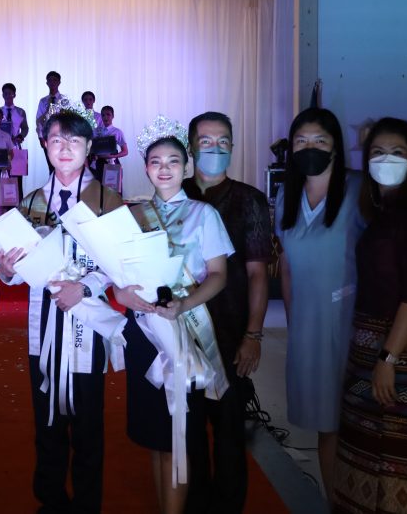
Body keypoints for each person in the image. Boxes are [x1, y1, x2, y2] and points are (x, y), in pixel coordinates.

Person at [0, 99, 123, 514]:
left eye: (74, 141)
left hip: (87, 323)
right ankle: (50, 500)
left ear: (88, 147)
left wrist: (84, 288)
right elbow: (16, 269)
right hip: (44, 325)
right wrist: (7, 271)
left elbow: (121, 266)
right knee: (46, 415)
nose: (65, 148)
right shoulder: (31, 202)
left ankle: (87, 504)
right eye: (56, 140)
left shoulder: (107, 201)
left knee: (88, 423)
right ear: (45, 146)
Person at [119, 115, 234, 514]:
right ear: (146, 168)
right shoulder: (132, 216)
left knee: (177, 437)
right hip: (143, 334)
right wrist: (121, 293)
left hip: (184, 332)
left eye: (173, 161)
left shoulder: (204, 215)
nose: (164, 168)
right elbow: (118, 274)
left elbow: (219, 274)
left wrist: (185, 304)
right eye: (155, 161)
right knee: (155, 438)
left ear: (186, 167)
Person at [333, 117, 407, 514]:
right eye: (378, 152)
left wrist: (388, 359)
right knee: (362, 447)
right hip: (368, 345)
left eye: (398, 152)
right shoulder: (380, 211)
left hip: (398, 352)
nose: (387, 159)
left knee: (395, 455)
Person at [180, 111, 271, 513]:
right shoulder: (175, 193)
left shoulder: (249, 200)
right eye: (205, 141)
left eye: (223, 142)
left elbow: (257, 273)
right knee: (188, 432)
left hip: (230, 335)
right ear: (190, 147)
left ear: (232, 147)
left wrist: (254, 334)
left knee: (230, 432)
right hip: (181, 333)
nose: (214, 148)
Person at [274, 108, 364, 499]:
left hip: (351, 321)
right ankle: (336, 502)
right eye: (301, 141)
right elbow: (287, 267)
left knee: (354, 419)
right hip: (308, 325)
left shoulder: (358, 190)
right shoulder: (287, 195)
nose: (309, 148)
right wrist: (294, 321)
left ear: (335, 147)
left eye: (319, 141)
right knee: (327, 423)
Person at [89, 105, 129, 189]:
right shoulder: (96, 131)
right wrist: (93, 154)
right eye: (103, 115)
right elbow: (91, 148)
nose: (105, 117)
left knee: (111, 191)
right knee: (99, 190)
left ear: (113, 116)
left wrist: (113, 156)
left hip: (112, 163)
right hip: (98, 164)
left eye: (108, 114)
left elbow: (125, 151)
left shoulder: (117, 132)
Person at [0, 82, 29, 198]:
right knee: (2, 177)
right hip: (1, 148)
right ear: (3, 95)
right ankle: (4, 205)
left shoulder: (20, 111)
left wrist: (21, 136)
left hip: (16, 147)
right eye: (6, 93)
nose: (8, 95)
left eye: (10, 93)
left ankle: (19, 205)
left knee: (17, 178)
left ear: (14, 95)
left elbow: (25, 128)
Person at [34, 71, 66, 174]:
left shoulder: (64, 100)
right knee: (52, 166)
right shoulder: (43, 101)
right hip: (47, 137)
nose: (52, 82)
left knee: (62, 165)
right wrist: (40, 137)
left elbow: (69, 120)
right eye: (50, 80)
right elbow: (38, 121)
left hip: (62, 137)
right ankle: (53, 184)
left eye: (55, 80)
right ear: (47, 83)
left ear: (59, 82)